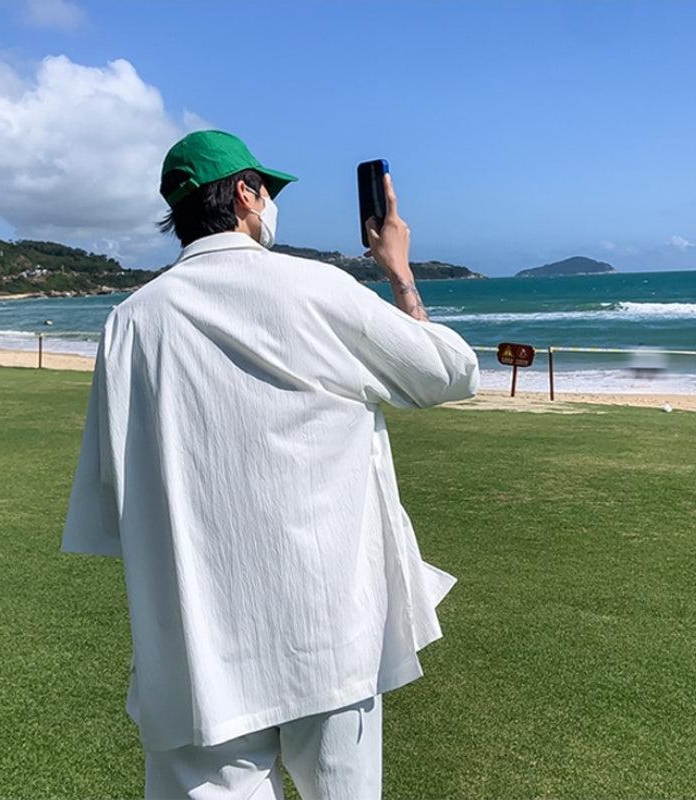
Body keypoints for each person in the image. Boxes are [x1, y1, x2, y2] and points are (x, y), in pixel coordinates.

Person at [61, 130, 480, 799]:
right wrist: (399, 272)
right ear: (245, 195)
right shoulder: (316, 288)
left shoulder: (131, 322)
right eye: (267, 190)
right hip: (327, 628)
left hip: (192, 637)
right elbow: (449, 372)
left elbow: (116, 493)